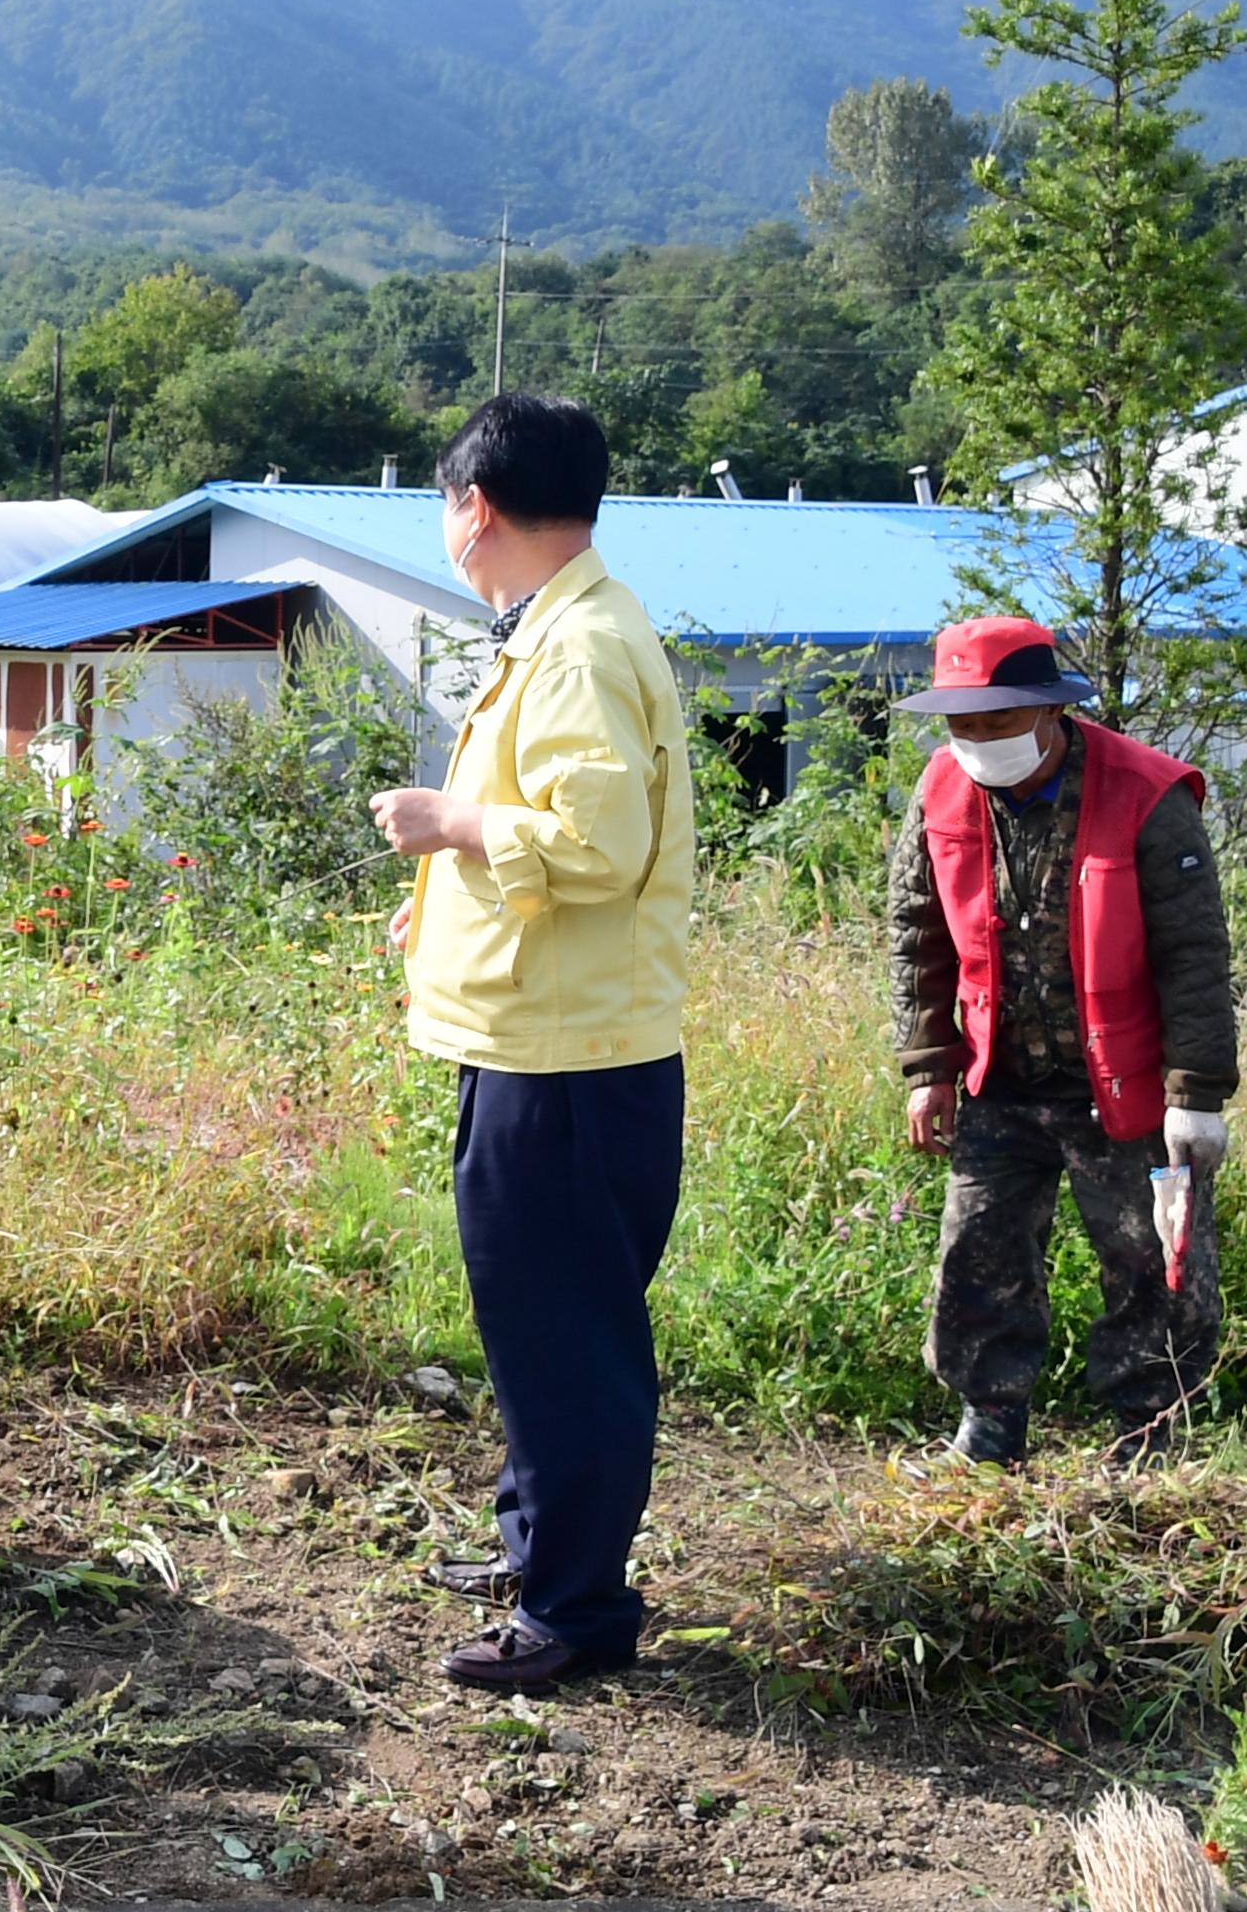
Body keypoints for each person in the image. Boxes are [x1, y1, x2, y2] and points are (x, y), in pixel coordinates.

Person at [366, 391, 694, 1692]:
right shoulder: (564, 629)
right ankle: (539, 1550)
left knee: (568, 1338)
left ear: (476, 508)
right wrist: (443, 890)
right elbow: (558, 834)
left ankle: (574, 1613)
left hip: (569, 1064)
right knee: (537, 1325)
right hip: (540, 1041)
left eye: (447, 506)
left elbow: (595, 848)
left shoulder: (574, 649)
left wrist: (449, 825)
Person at [888, 615, 1234, 1467]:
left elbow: (1195, 954)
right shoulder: (939, 792)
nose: (976, 743)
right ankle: (990, 1422)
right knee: (978, 1252)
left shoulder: (1148, 797)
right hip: (996, 1074)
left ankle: (1148, 1432)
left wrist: (1196, 1096)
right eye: (961, 725)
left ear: (1048, 712)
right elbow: (915, 933)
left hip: (1125, 1081)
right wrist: (928, 1066)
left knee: (1153, 1257)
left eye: (996, 724)